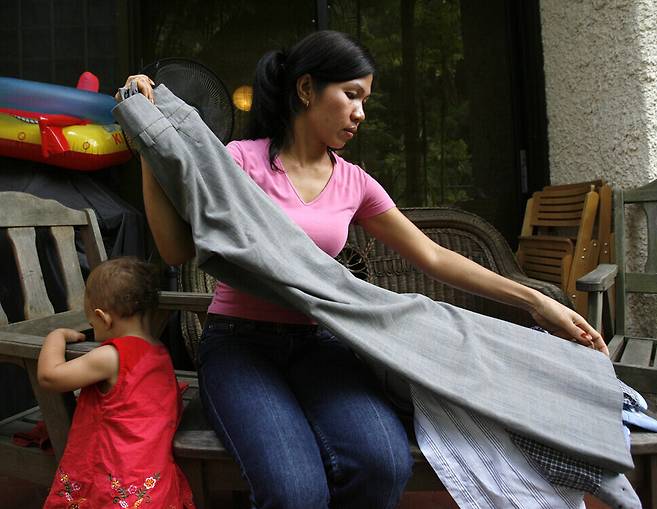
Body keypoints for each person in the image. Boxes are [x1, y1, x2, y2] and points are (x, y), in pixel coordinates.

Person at [118, 30, 607, 509]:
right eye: (351, 95)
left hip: (324, 345)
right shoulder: (239, 163)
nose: (360, 113)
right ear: (306, 90)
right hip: (240, 348)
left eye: (365, 100)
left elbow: (434, 257)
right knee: (295, 493)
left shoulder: (354, 183)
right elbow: (177, 250)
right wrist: (150, 146)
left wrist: (537, 301)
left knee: (382, 465)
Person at [37, 257, 195, 509]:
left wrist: (55, 336)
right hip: (152, 483)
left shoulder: (111, 356)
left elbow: (50, 376)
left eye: (92, 324)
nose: (94, 332)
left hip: (114, 484)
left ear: (104, 318)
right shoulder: (160, 352)